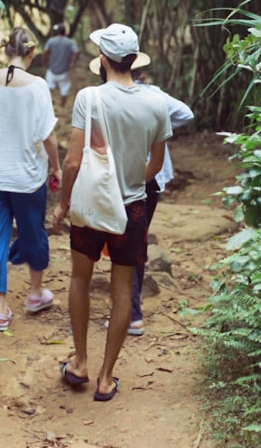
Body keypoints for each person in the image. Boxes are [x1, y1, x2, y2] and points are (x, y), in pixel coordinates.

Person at [51, 23, 172, 402]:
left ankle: (80, 363)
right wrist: (132, 182)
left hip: (91, 208)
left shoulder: (89, 98)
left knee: (79, 279)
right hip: (131, 210)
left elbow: (71, 163)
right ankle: (105, 378)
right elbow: (158, 161)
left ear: (102, 60)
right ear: (134, 60)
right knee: (122, 291)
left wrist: (63, 204)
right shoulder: (156, 103)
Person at [89, 54, 194, 337]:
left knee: (126, 244)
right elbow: (185, 112)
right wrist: (159, 126)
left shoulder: (107, 97)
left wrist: (161, 127)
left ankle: (132, 314)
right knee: (132, 242)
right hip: (147, 178)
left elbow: (185, 114)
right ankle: (130, 311)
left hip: (125, 180)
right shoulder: (153, 96)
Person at [0, 26, 62, 332]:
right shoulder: (36, 86)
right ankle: (35, 293)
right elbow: (48, 136)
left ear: (6, 48)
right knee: (33, 233)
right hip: (26, 177)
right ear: (31, 52)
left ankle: (1, 310)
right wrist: (56, 168)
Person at [42, 23, 79, 108]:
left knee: (50, 86)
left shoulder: (51, 41)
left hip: (52, 69)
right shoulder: (70, 42)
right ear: (65, 32)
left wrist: (45, 62)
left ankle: (51, 101)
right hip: (64, 71)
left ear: (57, 31)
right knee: (64, 88)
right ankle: (62, 106)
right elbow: (76, 52)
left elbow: (45, 52)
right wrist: (72, 63)